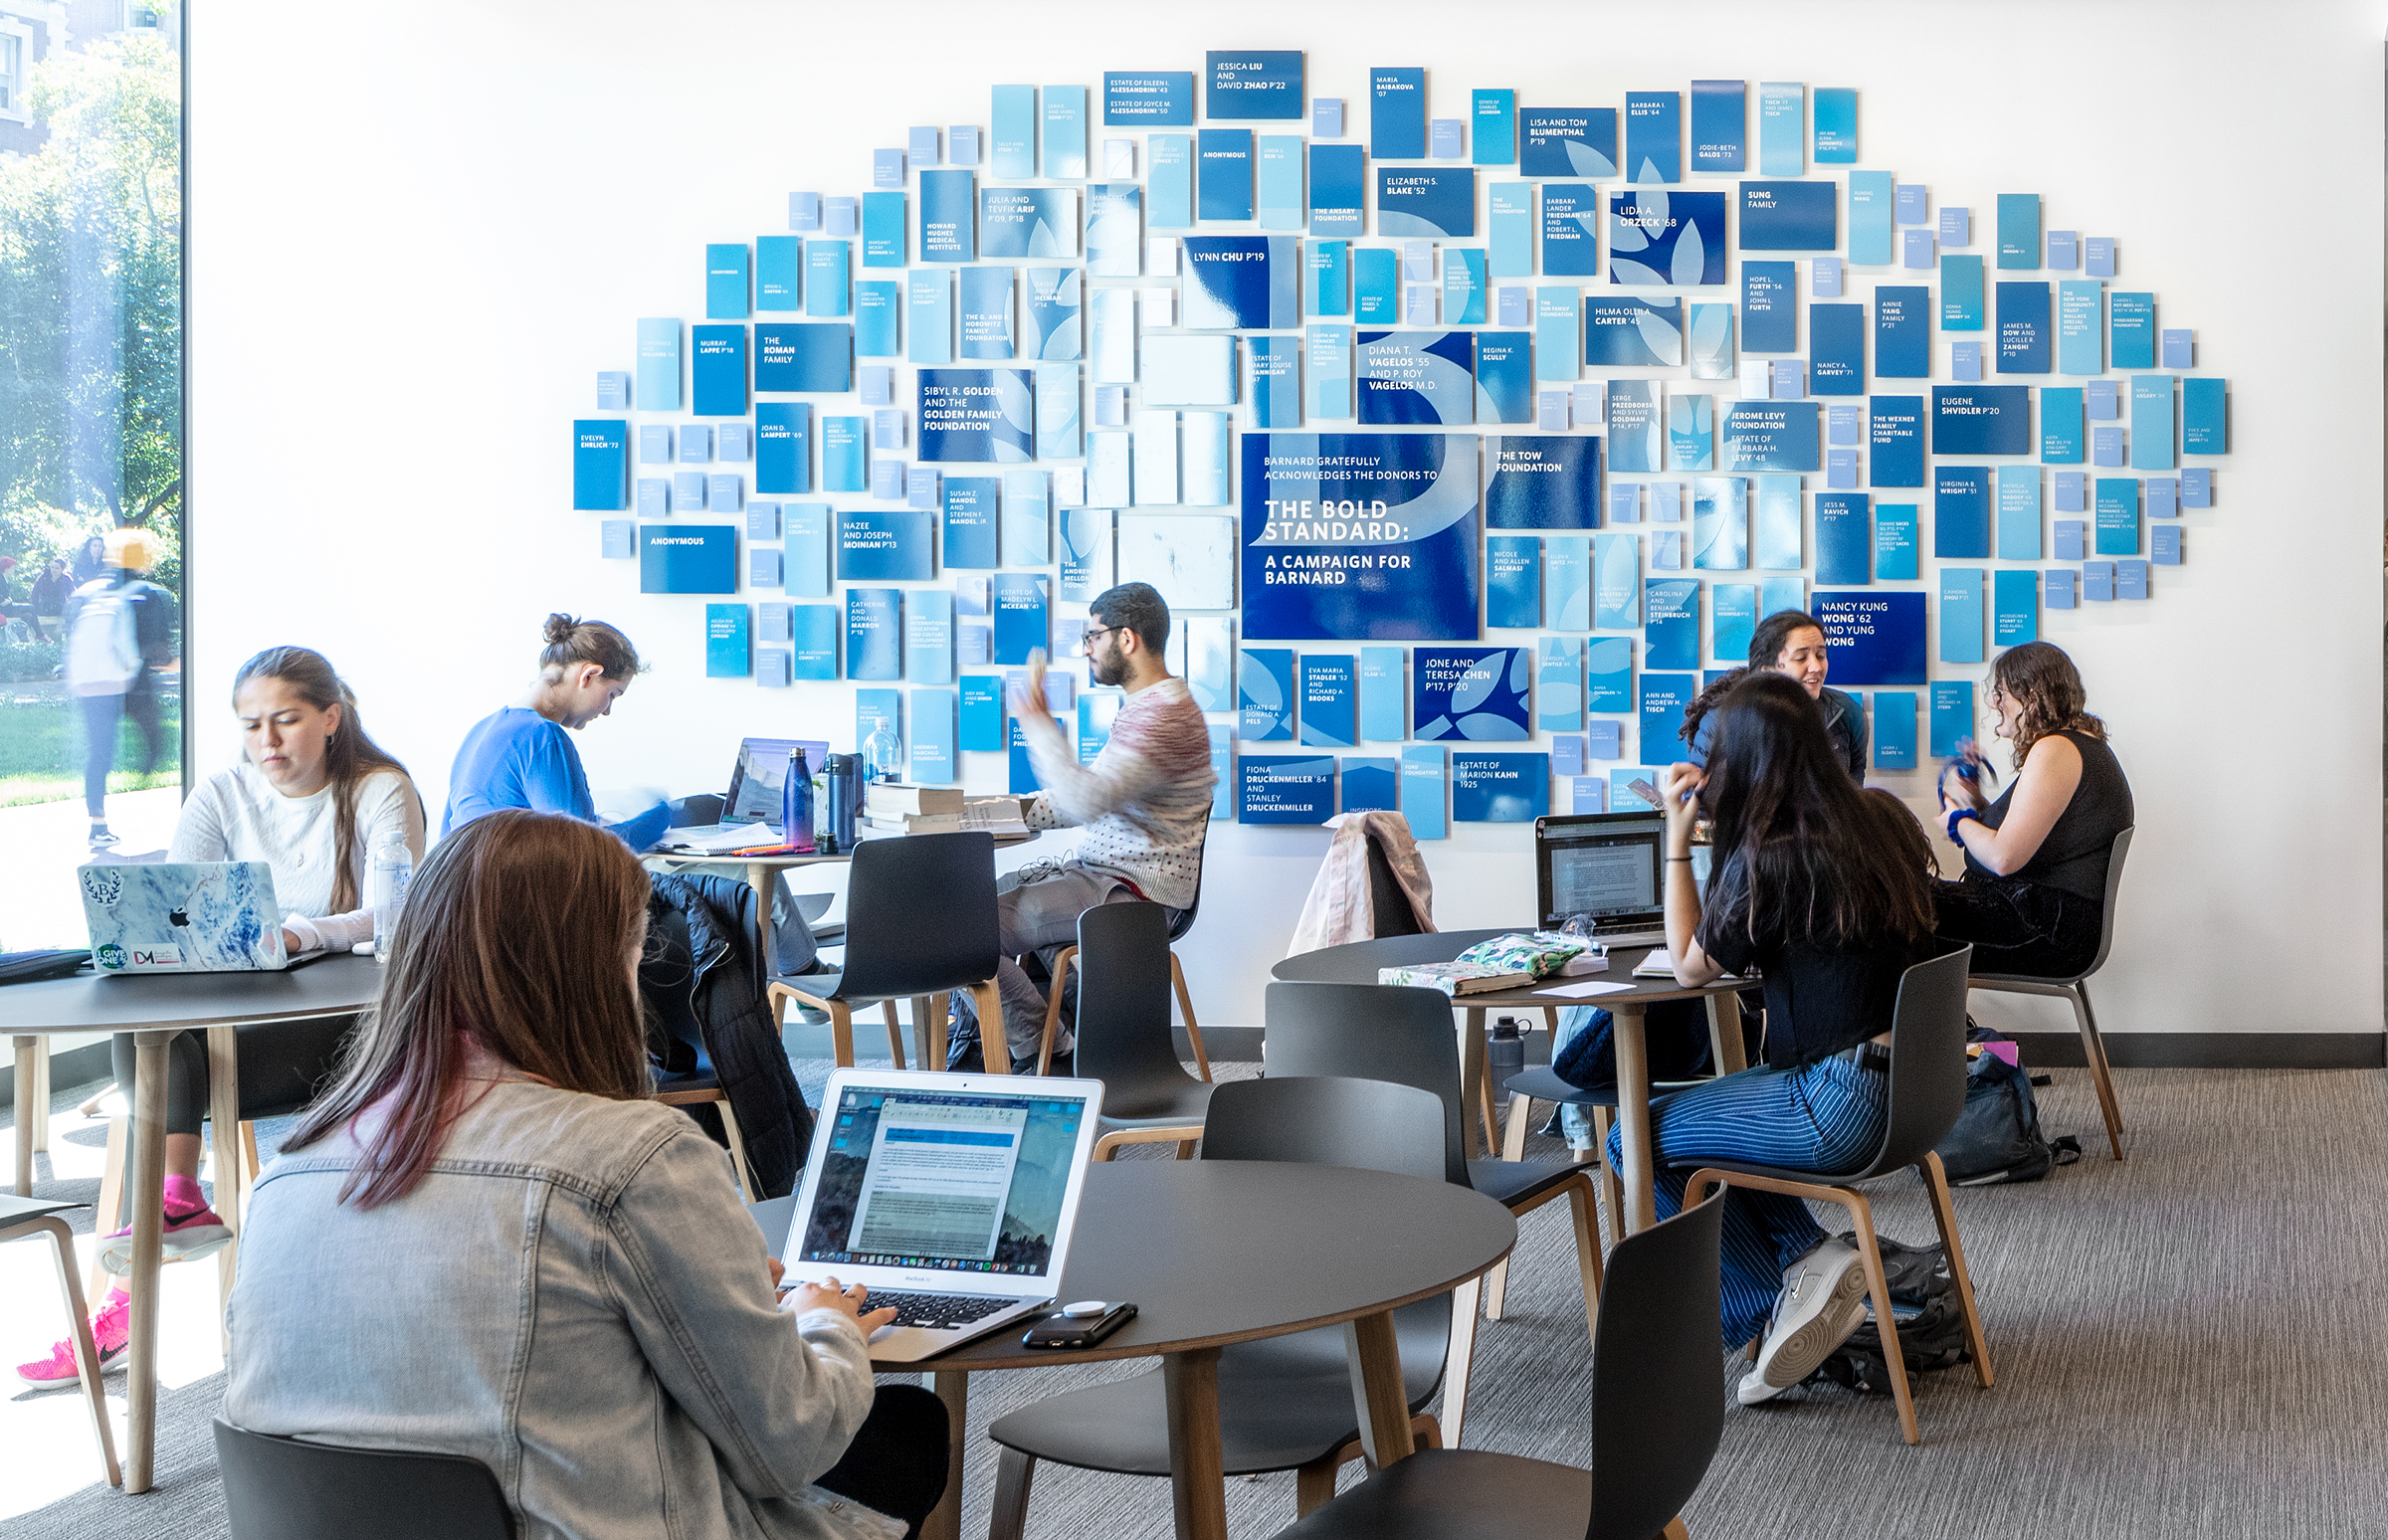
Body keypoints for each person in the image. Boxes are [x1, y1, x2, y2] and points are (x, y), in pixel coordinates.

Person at [219, 810, 949, 1540]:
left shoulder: (286, 1173)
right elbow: (786, 1443)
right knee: (902, 1431)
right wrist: (822, 1321)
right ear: (599, 969)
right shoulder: (631, 1159)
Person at [16, 647, 426, 1390]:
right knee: (144, 1021)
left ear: (330, 718)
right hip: (231, 1018)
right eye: (250, 726)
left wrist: (304, 931)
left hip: (339, 1028)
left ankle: (140, 1264)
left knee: (163, 1047)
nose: (266, 741)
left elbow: (396, 911)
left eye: (285, 721)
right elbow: (175, 904)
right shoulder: (221, 793)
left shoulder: (378, 788)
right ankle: (174, 1203)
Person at [1609, 671, 1938, 1406]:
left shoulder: (1774, 854)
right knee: (1709, 1124)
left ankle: (1773, 1305)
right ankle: (1809, 1259)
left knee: (1634, 1141)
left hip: (1835, 1102)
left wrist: (1676, 835)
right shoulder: (1880, 818)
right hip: (1912, 1087)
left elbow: (1691, 967)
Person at [950, 582, 1216, 1071]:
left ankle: (1044, 1047)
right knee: (961, 913)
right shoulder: (1146, 709)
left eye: (1092, 636)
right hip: (1098, 874)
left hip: (1130, 891)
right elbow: (1089, 796)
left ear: (1127, 639)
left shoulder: (1166, 717)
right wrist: (1005, 812)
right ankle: (1034, 1037)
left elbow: (1088, 799)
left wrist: (1037, 723)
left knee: (958, 933)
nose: (1087, 648)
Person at [1935, 640, 2133, 977]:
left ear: (2031, 695)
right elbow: (2025, 837)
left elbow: (2004, 858)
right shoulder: (2078, 744)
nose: (1994, 702)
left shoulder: (2055, 749)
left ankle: (1920, 1029)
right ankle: (1939, 1028)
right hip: (2049, 920)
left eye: (2001, 692)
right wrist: (1977, 802)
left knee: (1897, 908)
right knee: (1900, 901)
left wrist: (1957, 820)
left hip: (2047, 929)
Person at [443, 612, 672, 852]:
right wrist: (662, 815)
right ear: (589, 676)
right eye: (612, 695)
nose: (607, 711)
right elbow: (586, 849)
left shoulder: (480, 730)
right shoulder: (542, 736)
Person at [62, 526, 176, 848]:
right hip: (133, 686)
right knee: (157, 741)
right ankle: (149, 783)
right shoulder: (148, 595)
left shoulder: (88, 591)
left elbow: (71, 634)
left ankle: (98, 824)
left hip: (92, 686)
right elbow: (158, 653)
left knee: (99, 753)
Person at [1682, 609, 1869, 780]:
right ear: (1768, 669)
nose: (1816, 667)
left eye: (1821, 655)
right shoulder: (1721, 721)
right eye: (1800, 658)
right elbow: (1703, 809)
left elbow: (1852, 804)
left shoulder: (1847, 713)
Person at [30, 557, 73, 641]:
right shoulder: (43, 578)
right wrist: (36, 609)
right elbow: (34, 594)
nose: (54, 570)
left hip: (60, 608)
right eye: (52, 567)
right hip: (45, 607)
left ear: (62, 569)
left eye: (57, 568)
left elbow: (72, 594)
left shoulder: (66, 579)